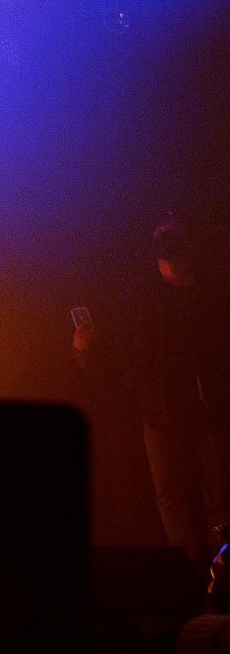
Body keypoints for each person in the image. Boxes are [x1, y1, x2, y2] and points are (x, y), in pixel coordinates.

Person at [74, 212, 230, 563]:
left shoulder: (213, 295)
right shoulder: (143, 302)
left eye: (175, 249)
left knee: (219, 501)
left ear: (190, 248)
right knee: (175, 502)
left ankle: (223, 576)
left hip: (210, 415)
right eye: (163, 252)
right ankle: (189, 575)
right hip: (162, 419)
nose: (169, 260)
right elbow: (119, 362)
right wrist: (85, 351)